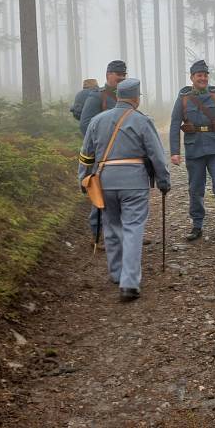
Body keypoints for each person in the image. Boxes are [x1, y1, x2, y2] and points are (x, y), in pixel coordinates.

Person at [78, 78, 170, 301]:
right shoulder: (142, 121)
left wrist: (83, 179)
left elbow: (86, 154)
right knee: (133, 228)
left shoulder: (97, 121)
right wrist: (163, 181)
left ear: (118, 97)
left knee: (111, 226)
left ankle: (116, 273)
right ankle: (129, 284)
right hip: (134, 183)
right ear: (136, 99)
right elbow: (156, 155)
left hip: (105, 181)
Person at [169, 60, 215, 241]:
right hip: (194, 149)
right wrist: (174, 151)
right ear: (192, 77)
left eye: (205, 75)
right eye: (199, 75)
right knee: (195, 189)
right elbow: (175, 124)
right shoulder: (183, 98)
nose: (203, 78)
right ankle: (197, 225)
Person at [80, 60, 127, 244]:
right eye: (118, 75)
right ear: (108, 75)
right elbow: (86, 125)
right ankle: (97, 236)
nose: (121, 78)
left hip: (123, 154)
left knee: (123, 195)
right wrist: (99, 144)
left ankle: (123, 235)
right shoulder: (97, 97)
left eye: (124, 75)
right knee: (100, 194)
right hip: (102, 155)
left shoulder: (125, 96)